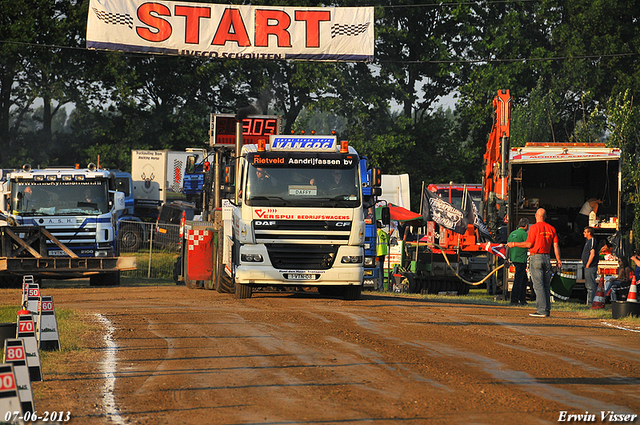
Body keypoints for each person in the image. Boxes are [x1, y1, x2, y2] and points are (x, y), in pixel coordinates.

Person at [507, 208, 561, 318]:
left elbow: (529, 244)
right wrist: (558, 260)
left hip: (536, 257)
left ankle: (541, 310)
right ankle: (547, 309)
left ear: (536, 215)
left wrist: (514, 244)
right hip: (547, 257)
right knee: (546, 285)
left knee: (538, 285)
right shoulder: (551, 228)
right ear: (545, 217)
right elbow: (555, 245)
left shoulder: (534, 228)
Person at [507, 218, 529, 306]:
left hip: (513, 259)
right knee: (518, 280)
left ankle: (522, 299)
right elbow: (529, 244)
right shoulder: (524, 234)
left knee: (524, 279)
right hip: (521, 259)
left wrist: (506, 259)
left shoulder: (512, 233)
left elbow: (507, 246)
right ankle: (514, 299)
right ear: (526, 225)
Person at [582, 227, 599, 305]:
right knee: (588, 285)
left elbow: (592, 254)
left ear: (589, 233)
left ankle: (591, 302)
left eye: (585, 232)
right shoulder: (588, 241)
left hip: (591, 266)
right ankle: (589, 302)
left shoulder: (592, 241)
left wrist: (588, 264)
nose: (584, 233)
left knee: (591, 286)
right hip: (588, 266)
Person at [376, 221, 389, 291]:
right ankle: (381, 286)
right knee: (381, 270)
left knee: (378, 270)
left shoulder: (376, 234)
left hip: (377, 253)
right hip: (383, 253)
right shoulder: (384, 233)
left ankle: (379, 286)